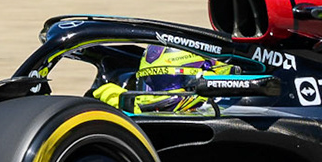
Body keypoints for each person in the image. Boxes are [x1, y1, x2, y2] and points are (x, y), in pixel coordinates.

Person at [93, 46, 235, 114]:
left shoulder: (225, 110)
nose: (155, 92)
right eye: (150, 83)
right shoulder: (139, 108)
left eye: (166, 83)